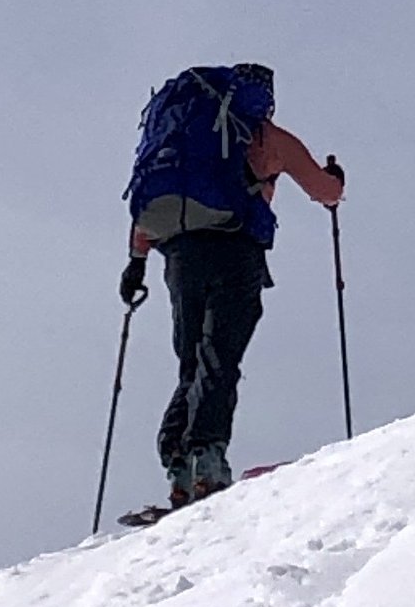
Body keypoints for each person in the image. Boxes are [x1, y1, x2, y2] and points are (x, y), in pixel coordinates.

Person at [120, 63, 342, 508]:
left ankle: (178, 466)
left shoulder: (186, 136)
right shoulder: (265, 136)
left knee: (191, 360)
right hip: (235, 251)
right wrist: (335, 180)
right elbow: (323, 191)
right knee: (219, 357)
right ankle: (209, 458)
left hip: (179, 255)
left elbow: (148, 225)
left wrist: (136, 266)